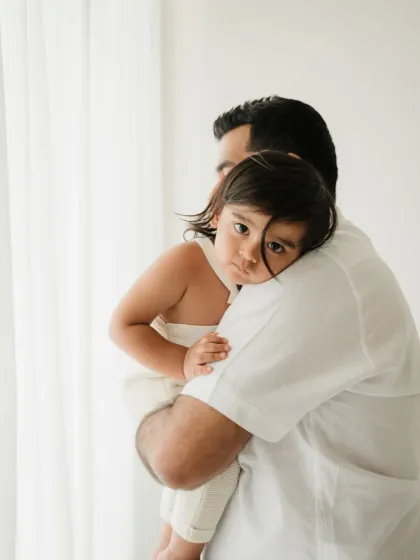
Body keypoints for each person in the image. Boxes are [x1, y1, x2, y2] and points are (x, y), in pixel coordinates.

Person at [135, 96, 420, 560]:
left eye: (230, 171)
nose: (219, 190)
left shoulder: (304, 284)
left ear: (283, 168)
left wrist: (150, 410)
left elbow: (178, 458)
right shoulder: (300, 263)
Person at [110, 150, 337, 560]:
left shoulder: (269, 290)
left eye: (276, 246)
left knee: (217, 458)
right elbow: (124, 325)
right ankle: (183, 552)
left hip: (196, 390)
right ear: (217, 213)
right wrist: (180, 361)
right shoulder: (188, 262)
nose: (251, 254)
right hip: (156, 381)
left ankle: (167, 545)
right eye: (241, 227)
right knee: (215, 460)